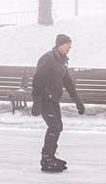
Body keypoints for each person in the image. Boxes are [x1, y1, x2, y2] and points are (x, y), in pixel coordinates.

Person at [31, 34, 85, 173]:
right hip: (45, 98)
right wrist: (37, 100)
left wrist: (77, 101)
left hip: (53, 99)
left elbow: (68, 82)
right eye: (67, 45)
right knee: (54, 127)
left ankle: (50, 156)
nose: (69, 48)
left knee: (58, 127)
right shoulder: (48, 59)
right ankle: (46, 159)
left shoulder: (61, 61)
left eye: (70, 46)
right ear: (60, 45)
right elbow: (37, 80)